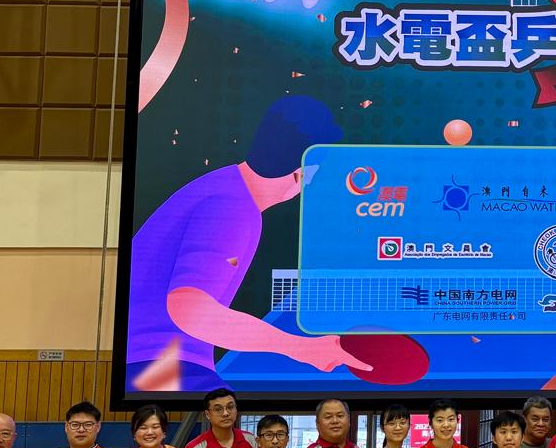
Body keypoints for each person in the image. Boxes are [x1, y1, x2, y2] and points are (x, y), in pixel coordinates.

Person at [124, 94, 375, 392]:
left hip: (160, 364)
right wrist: (299, 347)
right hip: (161, 366)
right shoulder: (233, 206)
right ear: (300, 172)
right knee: (229, 411)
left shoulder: (224, 188)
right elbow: (189, 310)